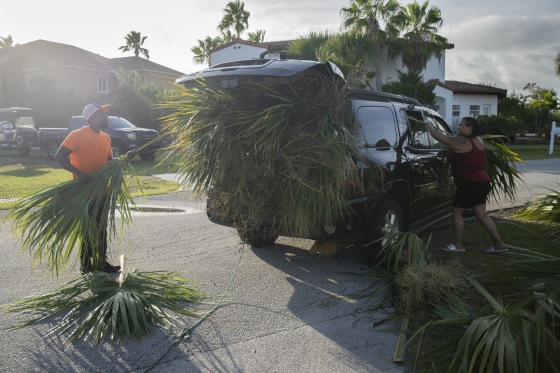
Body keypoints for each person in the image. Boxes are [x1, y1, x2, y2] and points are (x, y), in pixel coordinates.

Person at [55, 103, 121, 273]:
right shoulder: (77, 135)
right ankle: (86, 264)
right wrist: (79, 173)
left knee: (101, 228)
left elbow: (109, 163)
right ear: (92, 117)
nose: (106, 117)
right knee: (87, 229)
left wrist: (125, 159)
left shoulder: (106, 138)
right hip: (84, 193)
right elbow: (59, 156)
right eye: (102, 114)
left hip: (102, 192)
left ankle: (101, 262)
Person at [426, 116, 507, 253]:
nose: (459, 127)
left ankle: (458, 245)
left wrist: (428, 123)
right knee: (481, 214)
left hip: (470, 183)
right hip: (483, 181)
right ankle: (498, 244)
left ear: (470, 128)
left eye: (461, 125)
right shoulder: (478, 140)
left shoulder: (461, 141)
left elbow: (437, 135)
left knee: (457, 213)